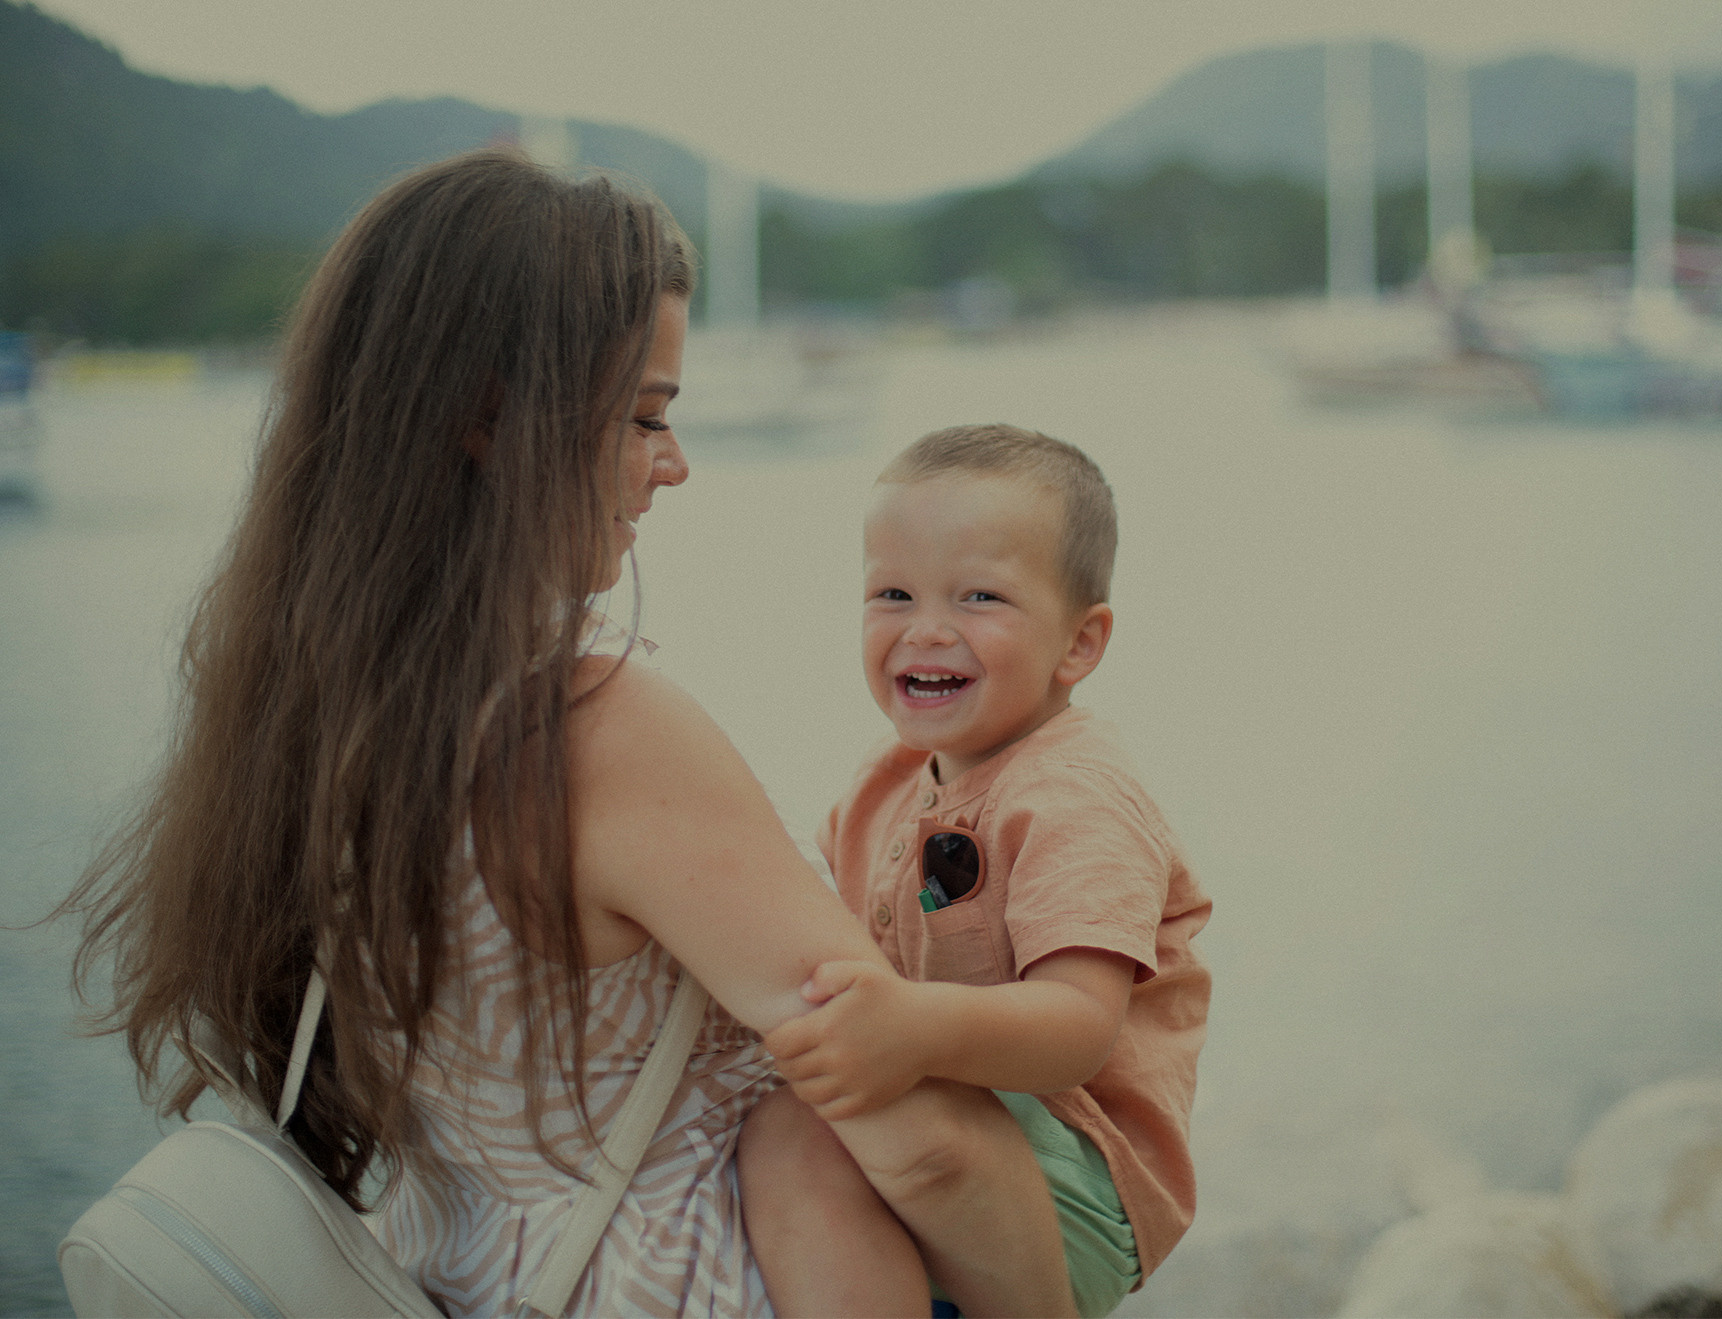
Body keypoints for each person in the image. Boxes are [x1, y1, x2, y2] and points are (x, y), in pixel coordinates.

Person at [60, 152, 1072, 1317]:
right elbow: (920, 1142)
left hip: (458, 1281)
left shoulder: (319, 724)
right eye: (644, 416)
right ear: (487, 417)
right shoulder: (596, 734)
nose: (673, 463)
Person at [738, 424, 1213, 1318]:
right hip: (961, 1124)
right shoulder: (883, 780)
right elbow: (808, 915)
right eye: (893, 593)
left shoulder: (1076, 794)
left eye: (980, 596)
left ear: (1079, 644)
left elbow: (1078, 1025)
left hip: (1079, 1175)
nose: (926, 629)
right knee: (773, 1133)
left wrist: (913, 1026)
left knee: (804, 1130)